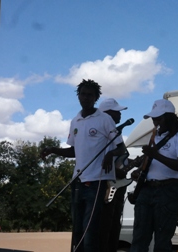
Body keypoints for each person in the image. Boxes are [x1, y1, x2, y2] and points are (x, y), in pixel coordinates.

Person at [40, 79, 126, 252]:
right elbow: (74, 151)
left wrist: (110, 154)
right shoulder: (75, 120)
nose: (86, 98)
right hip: (78, 181)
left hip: (97, 182)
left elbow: (121, 148)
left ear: (96, 98)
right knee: (77, 230)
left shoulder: (104, 119)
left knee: (90, 231)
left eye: (90, 95)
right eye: (83, 94)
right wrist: (53, 149)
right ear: (78, 96)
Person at [130, 99, 178, 252]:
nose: (155, 122)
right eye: (154, 119)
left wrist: (155, 155)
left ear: (169, 117)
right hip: (147, 189)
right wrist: (139, 172)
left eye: (158, 118)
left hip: (169, 191)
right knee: (139, 237)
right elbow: (152, 164)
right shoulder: (154, 138)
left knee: (162, 241)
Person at [98, 98, 134, 252]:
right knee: (105, 226)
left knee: (114, 226)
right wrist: (114, 170)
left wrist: (134, 162)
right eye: (117, 112)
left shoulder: (117, 134)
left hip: (117, 186)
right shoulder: (102, 133)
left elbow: (120, 158)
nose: (120, 115)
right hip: (106, 185)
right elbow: (98, 159)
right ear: (107, 114)